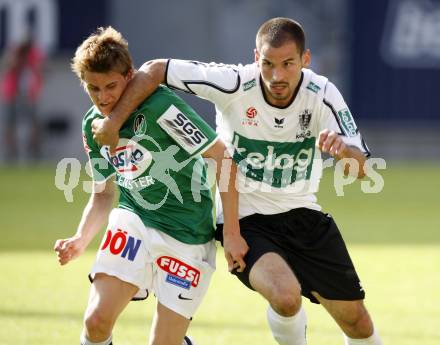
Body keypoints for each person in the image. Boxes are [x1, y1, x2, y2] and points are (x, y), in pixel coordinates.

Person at [91, 18, 383, 345]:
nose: (277, 75)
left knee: (356, 320)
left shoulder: (323, 94)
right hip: (248, 221)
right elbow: (156, 69)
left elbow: (361, 166)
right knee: (286, 296)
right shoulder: (234, 83)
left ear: (305, 60)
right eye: (268, 64)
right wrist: (114, 122)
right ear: (256, 58)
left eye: (288, 64)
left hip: (304, 214)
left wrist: (344, 151)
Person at [54, 26, 245, 345]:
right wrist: (80, 237)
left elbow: (223, 160)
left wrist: (232, 232)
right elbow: (103, 194)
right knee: (96, 321)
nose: (103, 98)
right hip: (134, 222)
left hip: (188, 234)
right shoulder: (93, 125)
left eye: (111, 86)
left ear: (130, 75)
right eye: (94, 88)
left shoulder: (160, 108)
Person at [1, 33, 44, 162]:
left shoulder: (34, 55)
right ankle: (11, 154)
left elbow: (41, 70)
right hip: (11, 95)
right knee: (9, 125)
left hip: (29, 96)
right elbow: (8, 67)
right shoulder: (15, 53)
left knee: (34, 124)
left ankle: (34, 152)